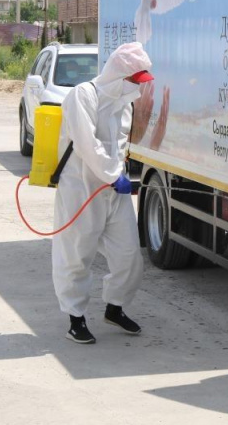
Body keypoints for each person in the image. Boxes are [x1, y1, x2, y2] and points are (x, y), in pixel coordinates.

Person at [52, 42, 154, 344]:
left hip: (112, 193)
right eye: (134, 80)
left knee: (129, 256)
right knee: (76, 256)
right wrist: (112, 176)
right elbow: (87, 144)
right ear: (119, 74)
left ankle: (115, 307)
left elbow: (119, 148)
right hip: (80, 190)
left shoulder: (123, 105)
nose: (136, 87)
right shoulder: (83, 96)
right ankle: (76, 318)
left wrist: (119, 176)